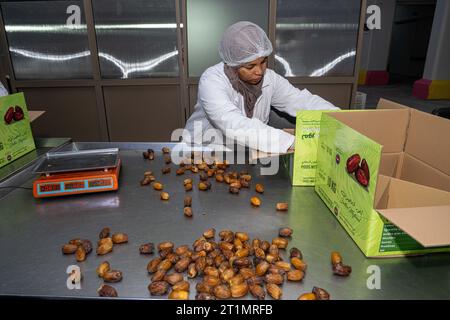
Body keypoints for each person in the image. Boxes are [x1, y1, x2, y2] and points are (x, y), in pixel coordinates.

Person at [183, 21, 339, 153]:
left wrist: (340, 118)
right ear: (233, 65)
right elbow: (233, 123)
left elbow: (301, 101)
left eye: (263, 61)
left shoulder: (270, 79)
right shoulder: (212, 81)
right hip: (202, 149)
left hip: (245, 151)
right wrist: (291, 142)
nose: (259, 71)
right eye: (250, 66)